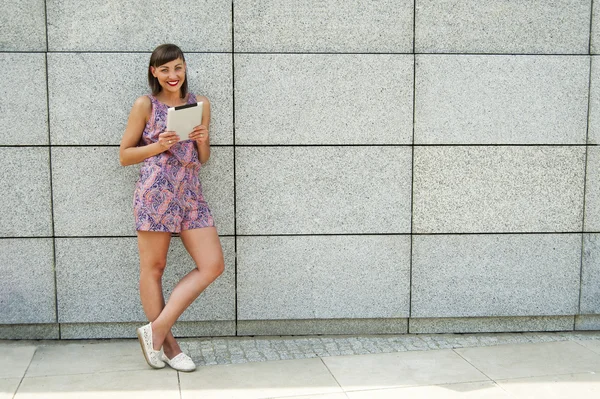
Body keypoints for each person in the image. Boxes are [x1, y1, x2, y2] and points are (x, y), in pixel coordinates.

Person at [119, 43, 224, 372]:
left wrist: (203, 139)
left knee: (212, 265)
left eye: (177, 67)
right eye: (164, 69)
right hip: (155, 192)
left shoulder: (200, 103)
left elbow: (201, 159)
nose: (172, 75)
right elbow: (124, 155)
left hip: (191, 193)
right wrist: (158, 145)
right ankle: (169, 346)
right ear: (154, 72)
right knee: (154, 268)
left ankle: (155, 330)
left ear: (185, 67)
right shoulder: (145, 104)